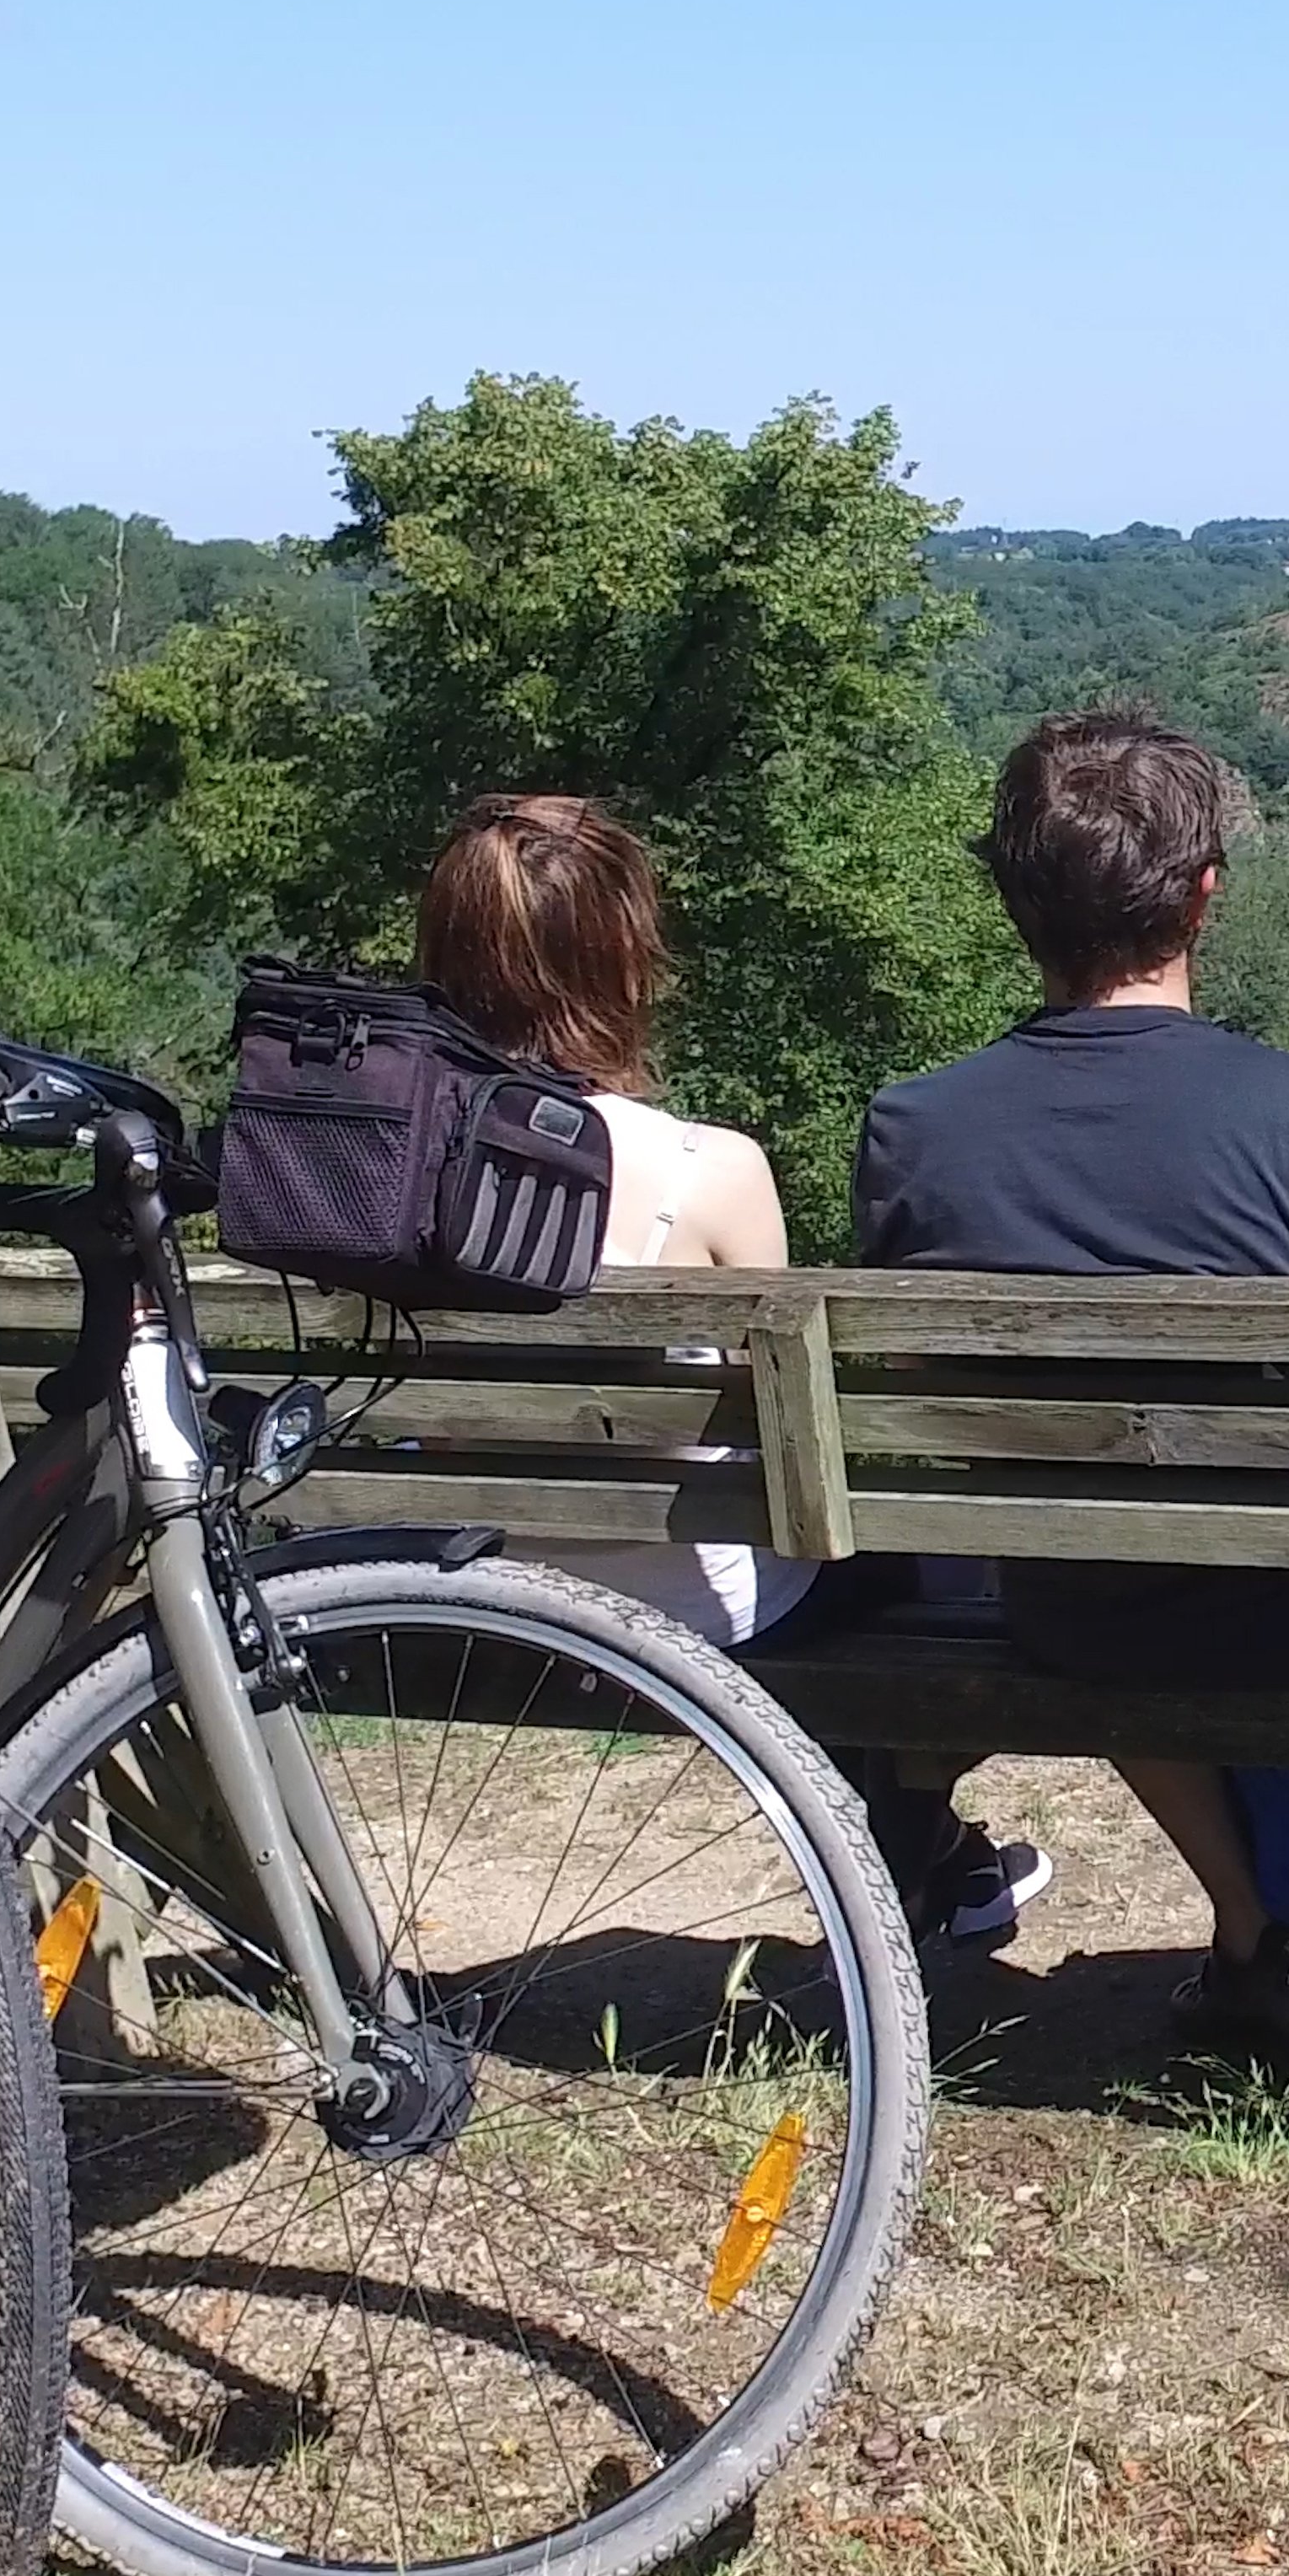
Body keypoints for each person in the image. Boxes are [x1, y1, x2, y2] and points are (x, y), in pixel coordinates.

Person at [854, 710, 1289, 2077]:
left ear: (1011, 898)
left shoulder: (914, 1129)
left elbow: (928, 1396)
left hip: (1068, 1605)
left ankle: (1242, 1923)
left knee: (1107, 1555)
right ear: (1206, 891)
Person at [413, 792, 1050, 1940]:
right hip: (706, 1614)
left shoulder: (376, 1180)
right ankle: (912, 1837)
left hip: (480, 1586)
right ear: (621, 956)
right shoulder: (708, 1172)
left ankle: (928, 1859)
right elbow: (791, 1442)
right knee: (962, 1556)